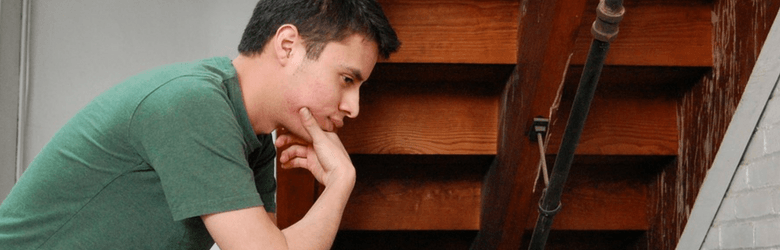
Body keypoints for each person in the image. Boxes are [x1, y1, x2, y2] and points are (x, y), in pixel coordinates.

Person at [0, 0, 400, 249]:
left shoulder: (253, 138)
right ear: (287, 46)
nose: (354, 107)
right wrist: (341, 183)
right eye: (347, 80)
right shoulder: (194, 105)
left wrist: (338, 184)